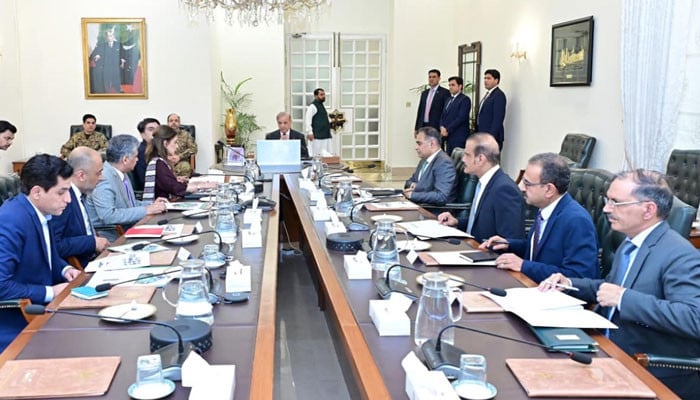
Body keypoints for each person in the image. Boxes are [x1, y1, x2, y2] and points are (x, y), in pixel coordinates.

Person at [540, 170, 700, 398]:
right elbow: (611, 287)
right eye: (607, 200)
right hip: (605, 350)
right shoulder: (630, 242)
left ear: (648, 209)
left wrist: (624, 298)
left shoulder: (680, 255)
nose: (606, 209)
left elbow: (694, 318)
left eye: (615, 202)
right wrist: (568, 283)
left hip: (646, 370)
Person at [0, 154, 81, 352]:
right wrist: (50, 292)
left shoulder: (42, 212)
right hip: (18, 323)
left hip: (44, 309)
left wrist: (65, 269)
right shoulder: (10, 221)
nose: (68, 199)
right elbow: (1, 285)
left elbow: (47, 257)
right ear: (37, 192)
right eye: (62, 192)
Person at [481, 153, 599, 283]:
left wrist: (523, 265)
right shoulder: (545, 208)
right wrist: (509, 244)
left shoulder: (577, 221)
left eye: (527, 183)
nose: (521, 188)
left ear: (549, 190)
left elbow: (578, 276)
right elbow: (538, 250)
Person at [437, 133, 525, 242]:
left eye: (467, 155)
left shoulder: (504, 189)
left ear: (480, 159)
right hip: (470, 245)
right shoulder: (484, 182)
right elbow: (482, 222)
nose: (463, 159)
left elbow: (508, 241)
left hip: (483, 250)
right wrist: (456, 221)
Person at [86, 135, 168, 242]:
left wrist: (152, 204)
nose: (138, 160)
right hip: (113, 237)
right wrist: (146, 210)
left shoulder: (122, 173)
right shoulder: (104, 178)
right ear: (125, 159)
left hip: (129, 228)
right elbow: (108, 216)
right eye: (136, 156)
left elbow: (129, 204)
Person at [49, 147, 110, 268]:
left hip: (96, 258)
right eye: (98, 173)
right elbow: (54, 245)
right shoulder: (64, 200)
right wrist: (92, 242)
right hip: (79, 268)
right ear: (81, 175)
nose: (101, 178)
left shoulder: (80, 193)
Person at [143, 126, 215, 201]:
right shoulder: (159, 163)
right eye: (175, 142)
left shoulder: (159, 161)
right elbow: (175, 188)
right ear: (165, 143)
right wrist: (200, 185)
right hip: (159, 206)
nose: (177, 146)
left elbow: (165, 182)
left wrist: (176, 179)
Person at [404, 127, 456, 212]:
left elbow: (441, 196)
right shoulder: (424, 160)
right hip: (420, 207)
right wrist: (413, 185)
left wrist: (412, 195)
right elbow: (409, 182)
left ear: (432, 143)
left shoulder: (444, 163)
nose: (416, 147)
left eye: (419, 144)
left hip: (434, 212)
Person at [439, 76, 471, 156]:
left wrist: (447, 129)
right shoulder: (448, 99)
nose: (450, 87)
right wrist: (441, 127)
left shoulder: (464, 99)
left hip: (458, 136)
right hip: (448, 136)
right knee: (449, 158)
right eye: (449, 85)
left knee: (457, 160)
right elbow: (443, 115)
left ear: (460, 86)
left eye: (453, 85)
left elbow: (461, 118)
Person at [476, 69, 507, 150]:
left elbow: (498, 119)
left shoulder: (498, 95)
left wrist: (490, 138)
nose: (485, 81)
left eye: (489, 78)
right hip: (482, 136)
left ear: (496, 80)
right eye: (485, 78)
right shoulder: (488, 95)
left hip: (491, 138)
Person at [88, 27, 124, 94]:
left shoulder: (118, 44)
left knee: (116, 75)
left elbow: (122, 54)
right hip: (106, 65)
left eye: (111, 35)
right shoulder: (102, 45)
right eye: (108, 36)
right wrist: (97, 55)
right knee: (105, 78)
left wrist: (122, 60)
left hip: (116, 65)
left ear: (113, 36)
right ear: (106, 37)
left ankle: (118, 87)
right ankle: (106, 88)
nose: (110, 37)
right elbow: (94, 54)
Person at [414, 69, 450, 135]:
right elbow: (420, 111)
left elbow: (446, 112)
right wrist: (416, 128)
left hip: (436, 126)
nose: (431, 79)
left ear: (439, 78)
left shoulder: (445, 92)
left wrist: (444, 127)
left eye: (434, 77)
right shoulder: (424, 93)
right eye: (430, 77)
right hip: (423, 125)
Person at [166, 113, 198, 177]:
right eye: (171, 121)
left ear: (179, 123)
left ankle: (182, 183)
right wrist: (168, 158)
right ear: (168, 123)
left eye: (176, 121)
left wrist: (179, 156)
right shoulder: (163, 135)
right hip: (166, 161)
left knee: (185, 167)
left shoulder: (186, 135)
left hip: (181, 161)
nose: (173, 123)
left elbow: (194, 149)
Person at [133, 117, 160, 191]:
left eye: (158, 130)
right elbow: (144, 181)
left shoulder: (157, 150)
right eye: (151, 129)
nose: (155, 133)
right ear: (142, 134)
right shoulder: (141, 152)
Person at [305, 88, 332, 157]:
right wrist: (310, 132)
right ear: (316, 96)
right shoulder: (312, 106)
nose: (323, 96)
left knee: (326, 154)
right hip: (316, 136)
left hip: (325, 135)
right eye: (321, 95)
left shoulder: (321, 105)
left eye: (324, 94)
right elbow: (308, 120)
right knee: (316, 155)